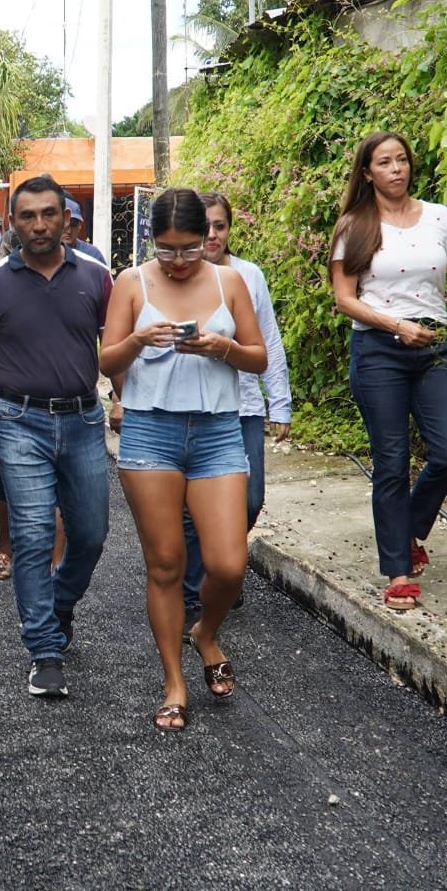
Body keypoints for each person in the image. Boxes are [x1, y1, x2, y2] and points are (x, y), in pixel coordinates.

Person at [328, 131, 447, 611]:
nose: (396, 169)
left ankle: (408, 527)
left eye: (402, 160)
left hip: (434, 345)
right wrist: (396, 325)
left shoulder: (439, 216)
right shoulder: (354, 225)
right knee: (391, 461)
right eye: (384, 162)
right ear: (367, 172)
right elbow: (345, 299)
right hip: (378, 349)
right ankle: (398, 572)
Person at [99, 188, 268, 733]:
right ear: (152, 240)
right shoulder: (131, 282)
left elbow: (259, 358)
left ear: (208, 238)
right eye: (167, 249)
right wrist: (139, 340)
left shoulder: (229, 282)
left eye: (190, 248)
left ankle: (206, 632)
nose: (177, 261)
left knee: (228, 565)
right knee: (166, 564)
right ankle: (174, 682)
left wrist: (223, 348)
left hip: (217, 431)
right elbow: (105, 358)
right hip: (150, 431)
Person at [0, 176, 113, 699]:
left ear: (66, 219)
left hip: (84, 421)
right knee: (31, 535)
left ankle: (60, 603)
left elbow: (114, 348)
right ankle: (44, 650)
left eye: (49, 214)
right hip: (18, 421)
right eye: (27, 216)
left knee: (90, 534)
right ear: (12, 223)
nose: (40, 225)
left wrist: (122, 398)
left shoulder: (96, 278)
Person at [180, 192, 292, 625]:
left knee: (250, 498)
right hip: (195, 405)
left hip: (243, 406)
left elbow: (269, 340)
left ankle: (220, 564)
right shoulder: (179, 275)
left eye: (220, 226)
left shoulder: (248, 275)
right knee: (192, 507)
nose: (212, 235)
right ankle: (197, 590)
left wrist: (279, 403)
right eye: (205, 226)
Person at [62, 197, 106, 263]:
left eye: (74, 225)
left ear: (80, 226)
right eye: (64, 225)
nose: (69, 231)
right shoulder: (45, 253)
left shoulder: (92, 254)